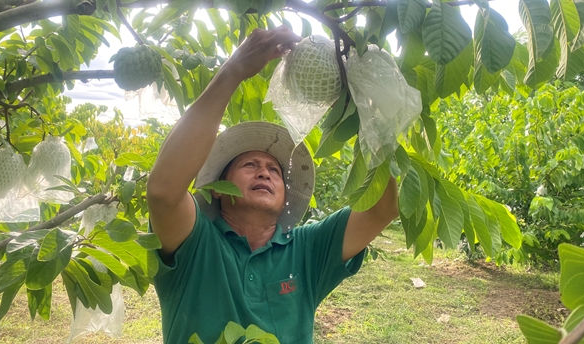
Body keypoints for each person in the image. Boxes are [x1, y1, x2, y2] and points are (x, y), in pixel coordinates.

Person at [147, 26, 398, 343]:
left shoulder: (306, 250)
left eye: (274, 170)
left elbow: (381, 208)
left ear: (285, 196)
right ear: (220, 188)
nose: (264, 172)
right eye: (249, 165)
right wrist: (233, 71)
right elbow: (163, 193)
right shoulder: (195, 242)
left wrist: (368, 113)